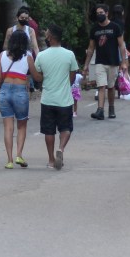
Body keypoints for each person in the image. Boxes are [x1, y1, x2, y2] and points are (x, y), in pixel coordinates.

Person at [28, 24, 78, 170]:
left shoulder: (42, 56)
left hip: (48, 99)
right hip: (65, 100)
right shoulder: (69, 55)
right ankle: (61, 149)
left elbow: (37, 78)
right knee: (66, 128)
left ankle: (51, 160)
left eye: (47, 34)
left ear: (50, 37)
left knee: (49, 131)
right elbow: (73, 77)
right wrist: (63, 85)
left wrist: (31, 64)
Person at [0, 30, 33, 169]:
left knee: (8, 127)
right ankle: (19, 155)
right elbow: (34, 74)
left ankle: (9, 160)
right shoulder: (28, 56)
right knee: (22, 125)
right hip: (20, 92)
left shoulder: (2, 55)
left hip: (5, 91)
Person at [85, 3, 127, 120]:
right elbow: (91, 48)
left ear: (107, 13)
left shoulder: (115, 27)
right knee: (101, 86)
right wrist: (86, 65)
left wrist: (123, 62)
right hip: (100, 62)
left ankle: (111, 108)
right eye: (97, 13)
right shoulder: (94, 29)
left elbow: (121, 46)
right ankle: (100, 110)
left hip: (113, 61)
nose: (99, 15)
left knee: (111, 87)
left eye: (101, 13)